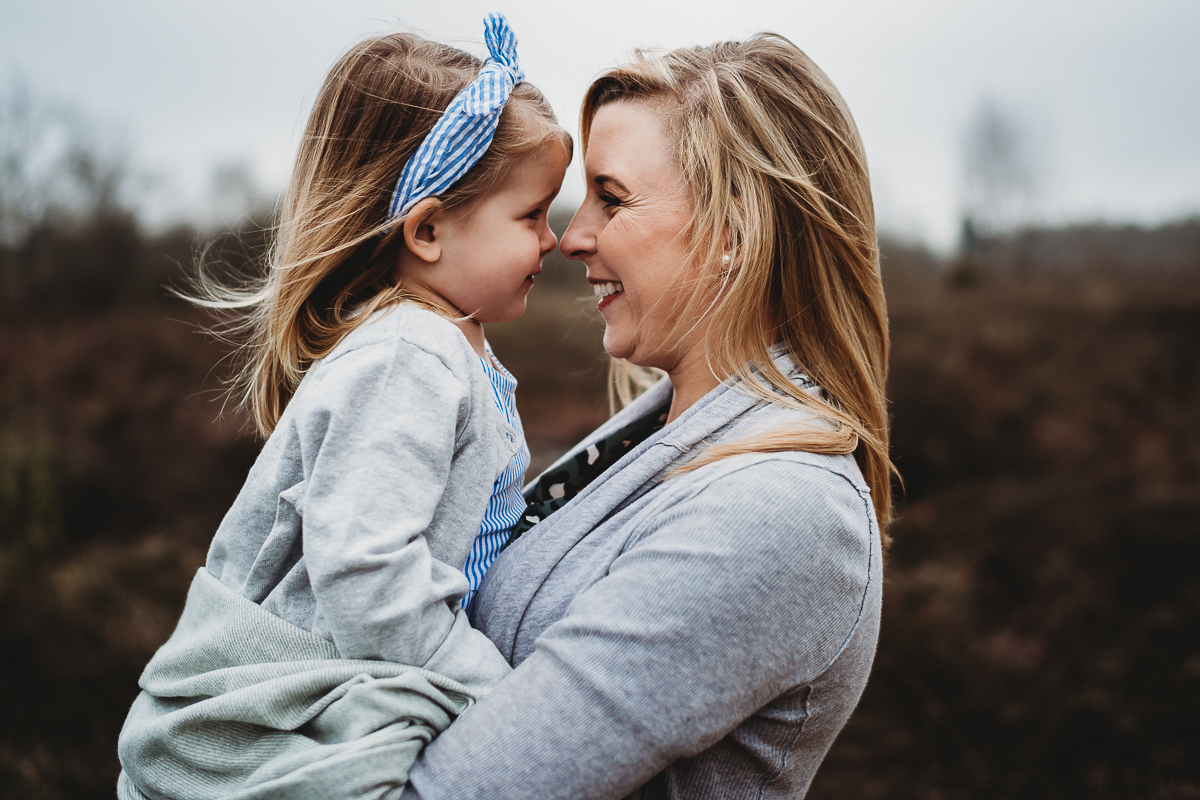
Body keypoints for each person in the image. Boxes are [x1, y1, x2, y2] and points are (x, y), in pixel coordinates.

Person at [399, 32, 892, 799]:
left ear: (734, 231)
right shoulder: (654, 437)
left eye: (613, 197)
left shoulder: (780, 513)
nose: (572, 236)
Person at [116, 15, 570, 799]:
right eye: (532, 215)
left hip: (344, 694)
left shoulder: (448, 347)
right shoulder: (411, 358)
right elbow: (368, 579)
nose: (554, 240)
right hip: (286, 720)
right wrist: (498, 690)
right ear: (427, 229)